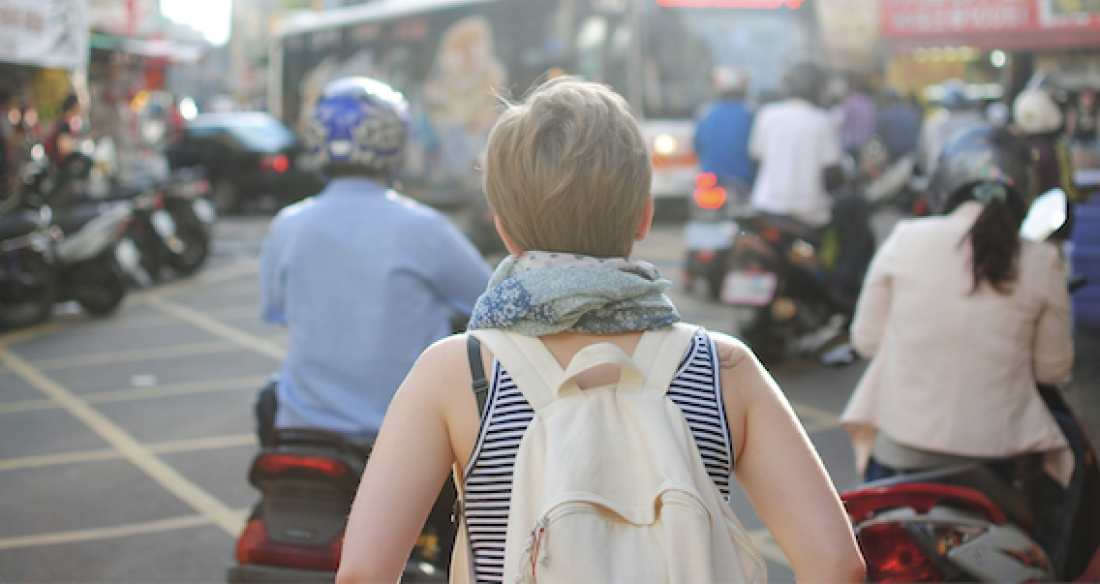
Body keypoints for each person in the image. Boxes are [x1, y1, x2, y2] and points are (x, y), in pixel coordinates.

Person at [336, 77, 865, 584]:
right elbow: (837, 566)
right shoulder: (723, 368)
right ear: (645, 217)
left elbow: (364, 573)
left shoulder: (458, 372)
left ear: (503, 227)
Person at [841, 124, 1077, 574]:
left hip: (897, 459)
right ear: (1023, 190)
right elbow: (1052, 370)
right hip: (997, 466)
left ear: (945, 183)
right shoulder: (1041, 259)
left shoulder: (906, 239)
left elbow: (867, 341)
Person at [257, 77, 491, 444]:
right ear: (395, 143)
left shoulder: (289, 225)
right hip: (402, 434)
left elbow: (276, 311)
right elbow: (487, 301)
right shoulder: (423, 227)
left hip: (302, 427)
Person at [749, 62, 842, 228]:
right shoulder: (822, 120)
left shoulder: (767, 115)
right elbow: (831, 173)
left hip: (767, 206)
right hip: (809, 213)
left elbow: (756, 160)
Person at [1013, 87, 1090, 244]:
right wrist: (1089, 193)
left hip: (1026, 224)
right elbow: (1068, 188)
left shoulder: (1020, 147)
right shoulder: (1055, 148)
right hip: (1053, 228)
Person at [693, 65, 754, 188]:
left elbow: (697, 145)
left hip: (709, 176)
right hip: (743, 177)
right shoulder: (751, 111)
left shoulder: (705, 111)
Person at [916, 79, 983, 174]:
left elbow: (922, 154)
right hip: (965, 173)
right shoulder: (975, 119)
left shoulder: (932, 122)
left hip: (942, 174)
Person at [874, 86, 921, 162]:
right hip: (911, 157)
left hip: (891, 157)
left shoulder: (885, 115)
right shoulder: (912, 113)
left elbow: (877, 137)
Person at [838, 75, 877, 156]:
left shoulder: (850, 102)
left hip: (850, 143)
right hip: (865, 144)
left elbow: (841, 122)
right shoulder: (870, 104)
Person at [43, 92, 83, 168]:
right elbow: (63, 148)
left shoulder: (67, 120)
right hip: (62, 165)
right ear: (75, 106)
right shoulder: (65, 122)